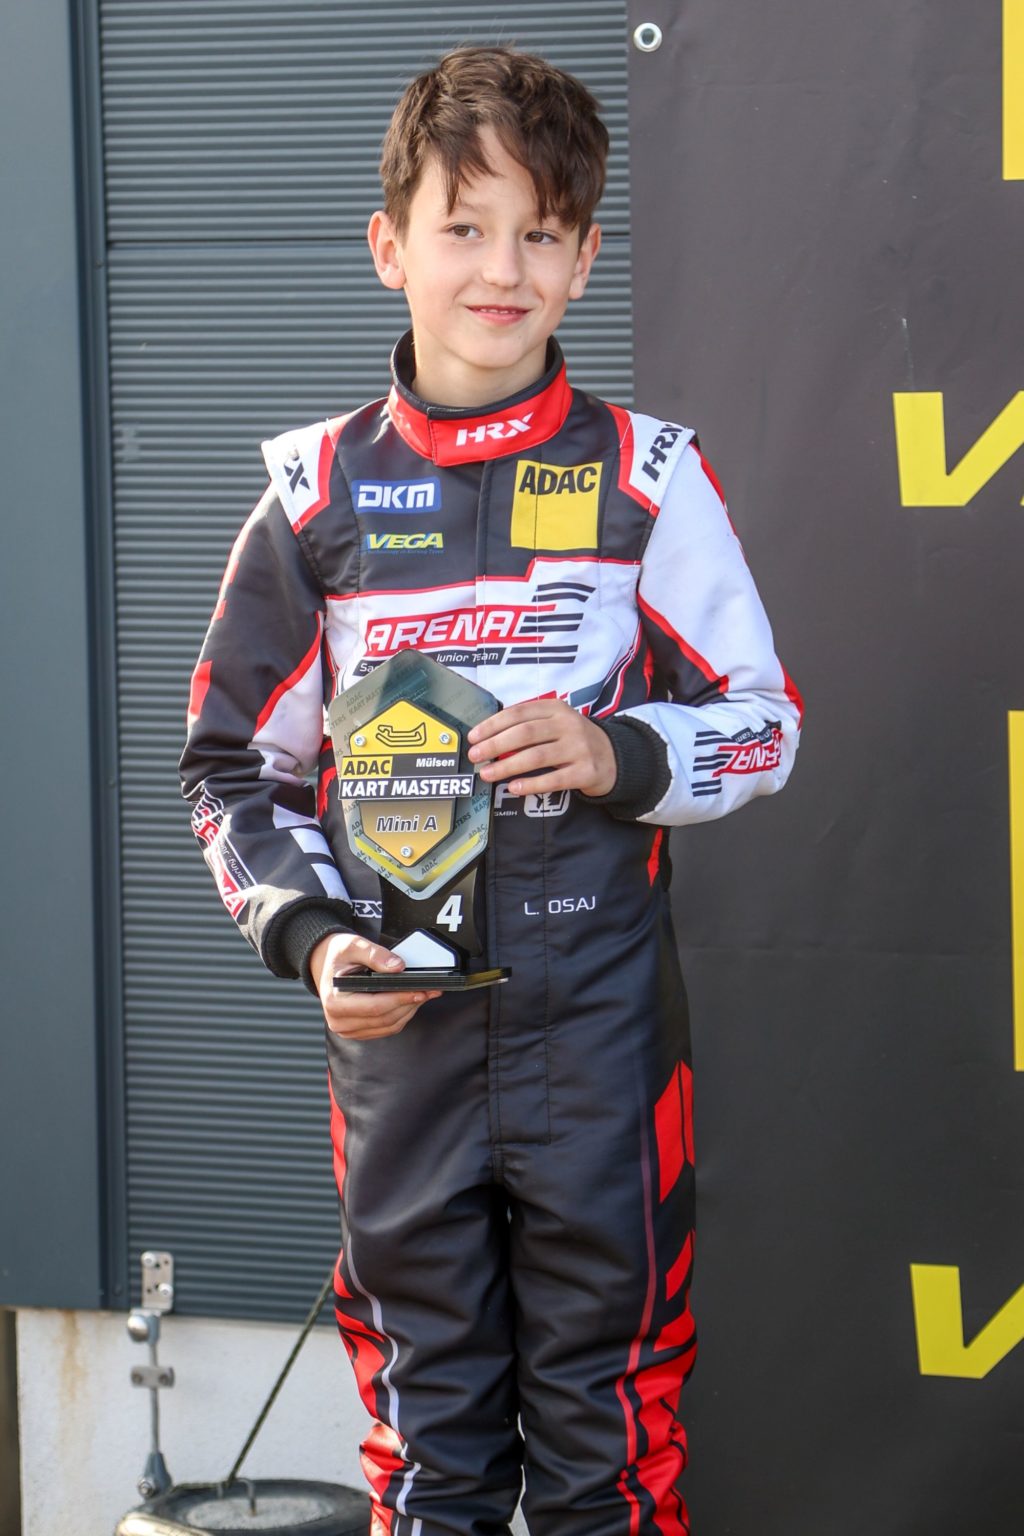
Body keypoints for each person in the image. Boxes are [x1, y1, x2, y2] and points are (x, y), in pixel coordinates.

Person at [180, 44, 802, 1536]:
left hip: (603, 1044)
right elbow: (229, 772)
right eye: (464, 226)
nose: (502, 269)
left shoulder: (651, 477)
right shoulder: (311, 493)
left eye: (542, 232)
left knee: (613, 1452)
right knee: (429, 1458)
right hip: (403, 1056)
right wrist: (314, 943)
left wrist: (618, 752)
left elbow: (768, 726)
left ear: (584, 258)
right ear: (390, 245)